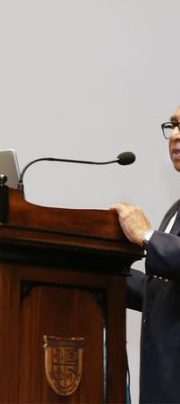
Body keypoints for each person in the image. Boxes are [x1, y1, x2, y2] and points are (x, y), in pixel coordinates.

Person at [112, 106, 180, 403]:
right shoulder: (176, 210)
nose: (175, 135)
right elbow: (164, 292)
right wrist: (100, 271)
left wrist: (147, 236)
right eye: (173, 125)